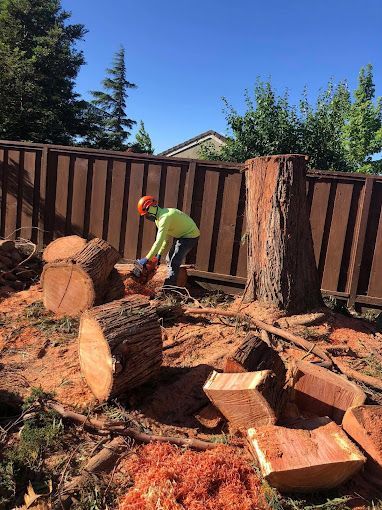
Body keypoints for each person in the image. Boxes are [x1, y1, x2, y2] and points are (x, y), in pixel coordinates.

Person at [136, 196, 200, 288]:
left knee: (174, 260)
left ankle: (170, 288)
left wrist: (146, 259)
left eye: (146, 214)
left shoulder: (165, 217)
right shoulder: (158, 219)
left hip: (190, 236)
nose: (146, 217)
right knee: (168, 259)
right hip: (182, 235)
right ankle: (170, 282)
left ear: (151, 207)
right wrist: (158, 255)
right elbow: (165, 240)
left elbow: (159, 241)